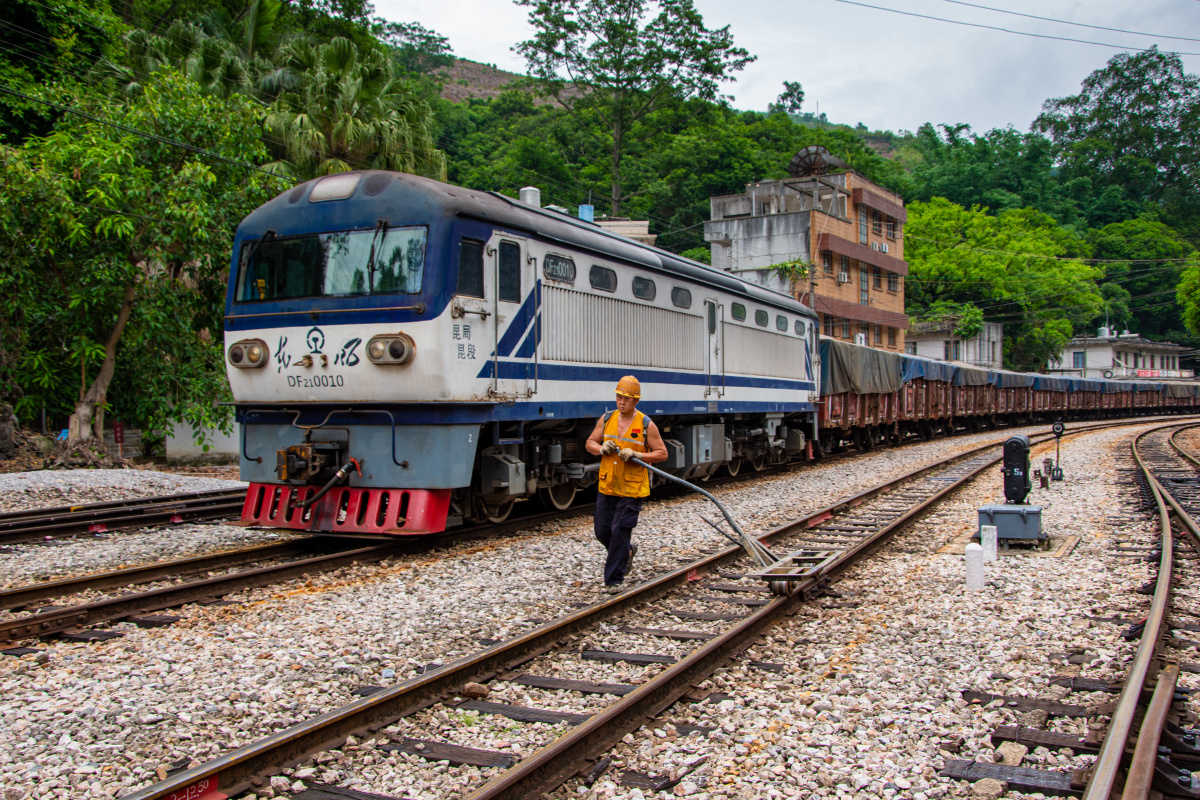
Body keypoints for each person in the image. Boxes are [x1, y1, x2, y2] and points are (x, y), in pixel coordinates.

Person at [584, 375, 668, 593]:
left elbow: (662, 454)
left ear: (636, 401)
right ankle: (627, 552)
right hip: (608, 484)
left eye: (627, 399)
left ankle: (614, 580)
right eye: (619, 397)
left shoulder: (646, 424)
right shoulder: (607, 418)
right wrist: (600, 448)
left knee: (619, 530)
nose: (622, 402)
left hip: (631, 488)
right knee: (602, 531)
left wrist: (639, 455)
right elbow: (590, 443)